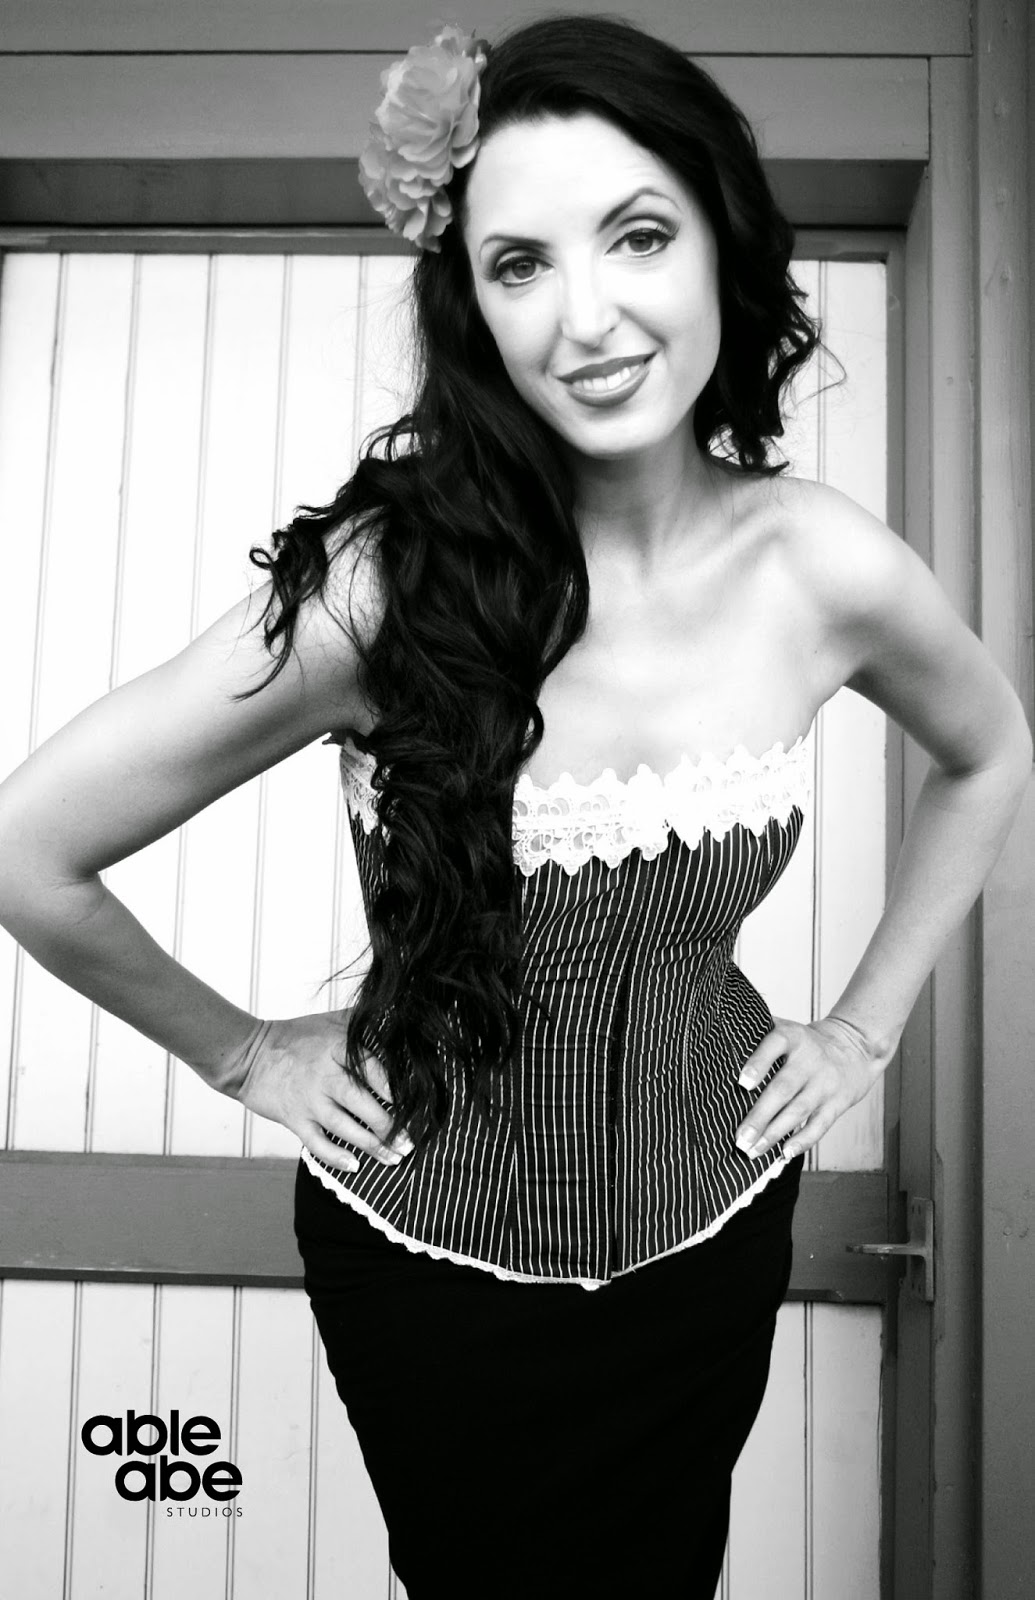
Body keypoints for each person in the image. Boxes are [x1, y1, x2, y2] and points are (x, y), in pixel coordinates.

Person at [0, 12, 1030, 1599]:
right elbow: (29, 847)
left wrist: (863, 1028)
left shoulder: (823, 565)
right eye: (520, 263)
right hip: (433, 1264)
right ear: (470, 303)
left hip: (711, 1233)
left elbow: (989, 752)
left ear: (720, 240)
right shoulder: (383, 593)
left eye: (638, 236)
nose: (587, 316)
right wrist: (247, 1052)